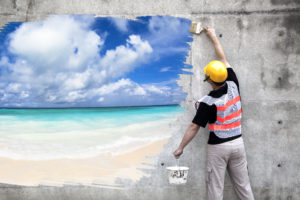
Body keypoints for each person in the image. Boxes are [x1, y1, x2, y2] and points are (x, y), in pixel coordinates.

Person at [173, 27, 255, 200]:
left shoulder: (208, 102)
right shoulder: (233, 83)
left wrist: (181, 147)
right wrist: (212, 36)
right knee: (244, 187)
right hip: (238, 144)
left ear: (209, 80)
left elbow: (194, 127)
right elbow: (222, 58)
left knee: (215, 189)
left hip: (218, 148)